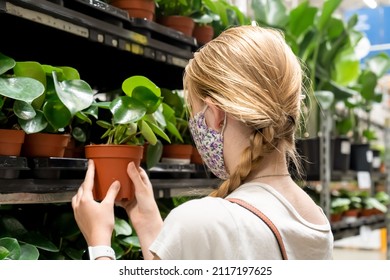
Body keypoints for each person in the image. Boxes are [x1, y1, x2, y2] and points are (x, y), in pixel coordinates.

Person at [72, 24, 334, 260]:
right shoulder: (314, 220)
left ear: (216, 114)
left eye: (195, 113)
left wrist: (99, 242)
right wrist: (147, 222)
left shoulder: (204, 220)